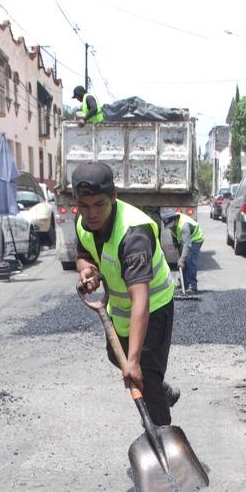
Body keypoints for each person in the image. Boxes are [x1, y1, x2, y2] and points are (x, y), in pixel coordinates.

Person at [72, 162, 180, 426]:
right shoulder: (83, 222)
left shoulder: (134, 235)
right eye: (84, 206)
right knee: (114, 354)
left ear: (114, 198)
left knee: (144, 379)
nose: (92, 213)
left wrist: (133, 362)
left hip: (153, 308)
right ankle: (161, 388)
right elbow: (83, 253)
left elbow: (140, 300)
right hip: (118, 310)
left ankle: (163, 448)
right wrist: (86, 269)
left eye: (99, 204)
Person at [161, 208, 204, 294]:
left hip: (195, 239)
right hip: (184, 241)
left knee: (189, 261)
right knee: (183, 263)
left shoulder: (184, 226)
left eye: (171, 225)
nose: (170, 227)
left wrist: (182, 259)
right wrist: (175, 242)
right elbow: (173, 232)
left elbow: (187, 244)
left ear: (174, 219)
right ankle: (184, 284)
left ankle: (192, 286)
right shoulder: (173, 225)